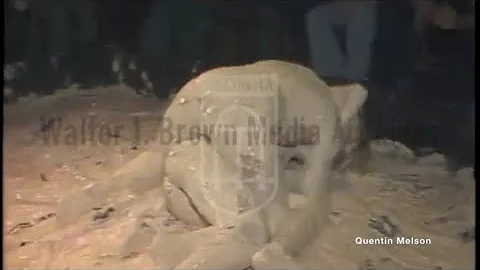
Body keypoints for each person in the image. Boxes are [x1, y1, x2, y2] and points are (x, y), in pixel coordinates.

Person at [305, 1, 378, 84]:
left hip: (365, 6)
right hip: (340, 7)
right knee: (316, 15)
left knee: (362, 14)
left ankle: (355, 77)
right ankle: (329, 75)